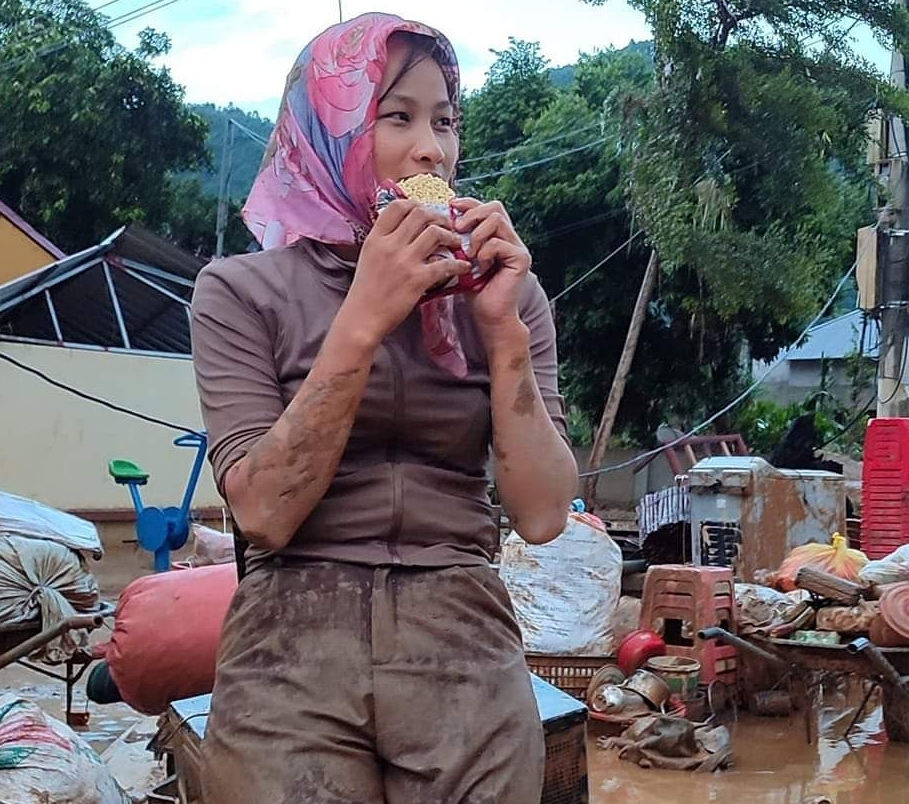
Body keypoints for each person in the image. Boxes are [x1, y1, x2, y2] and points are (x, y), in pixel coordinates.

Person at [188, 12, 579, 804]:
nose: (431, 148)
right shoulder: (238, 292)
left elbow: (541, 516)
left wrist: (500, 326)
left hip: (461, 622)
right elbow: (262, 512)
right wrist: (364, 315)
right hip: (290, 632)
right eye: (395, 117)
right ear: (327, 136)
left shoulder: (510, 293)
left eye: (445, 121)